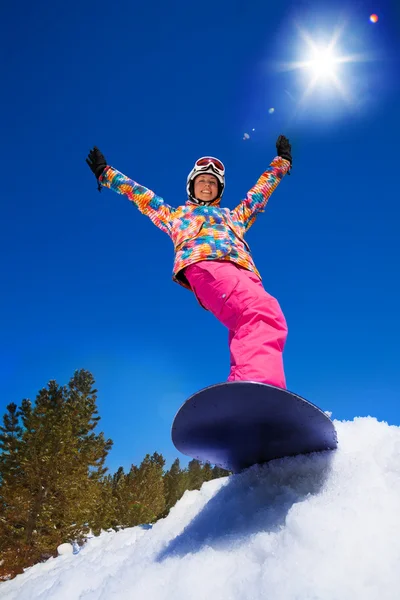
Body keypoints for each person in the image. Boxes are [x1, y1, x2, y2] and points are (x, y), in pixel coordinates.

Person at [86, 135, 292, 388]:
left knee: (247, 326)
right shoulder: (177, 216)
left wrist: (281, 162)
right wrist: (106, 173)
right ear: (191, 186)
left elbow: (258, 195)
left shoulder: (234, 216)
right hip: (207, 264)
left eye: (213, 183)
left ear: (219, 190)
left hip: (246, 273)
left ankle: (243, 389)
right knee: (262, 311)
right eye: (202, 181)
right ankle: (260, 386)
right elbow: (142, 196)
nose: (207, 186)